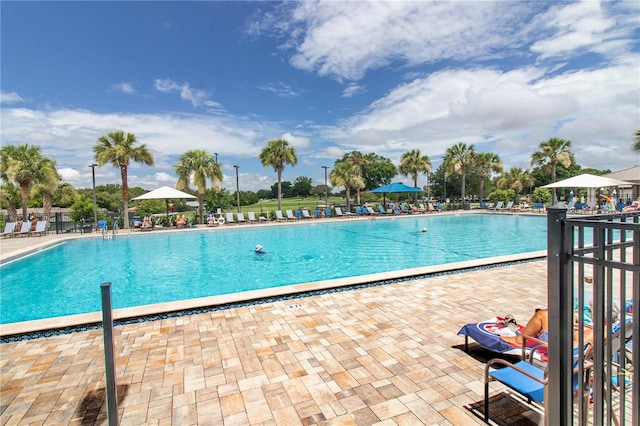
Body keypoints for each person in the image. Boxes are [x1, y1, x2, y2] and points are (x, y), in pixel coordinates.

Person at [500, 308, 593, 347]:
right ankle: (535, 329)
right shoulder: (603, 329)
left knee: (541, 314)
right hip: (564, 339)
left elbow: (571, 349)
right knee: (549, 313)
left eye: (590, 310)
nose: (590, 312)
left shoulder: (594, 332)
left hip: (555, 345)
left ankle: (519, 339)